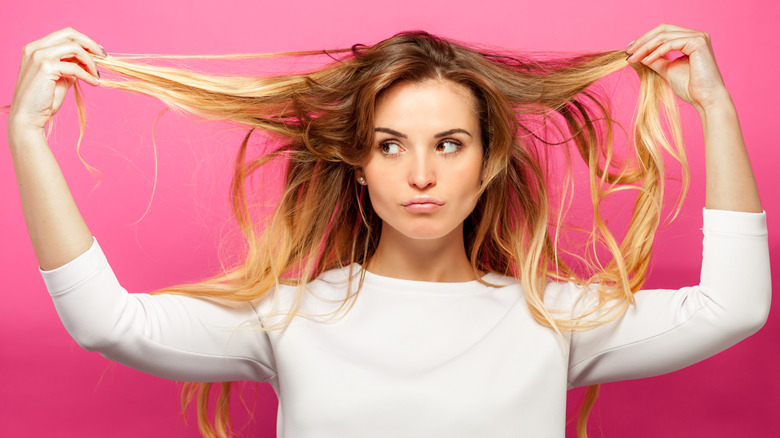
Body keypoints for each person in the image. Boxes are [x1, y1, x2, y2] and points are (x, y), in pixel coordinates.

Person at [7, 24, 770, 438]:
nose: (421, 175)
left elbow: (732, 308)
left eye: (449, 143)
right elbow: (107, 324)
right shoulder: (290, 316)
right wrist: (28, 136)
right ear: (358, 165)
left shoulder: (553, 319)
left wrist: (717, 109)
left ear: (489, 161)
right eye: (389, 144)